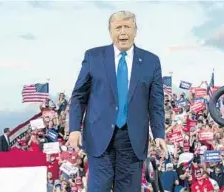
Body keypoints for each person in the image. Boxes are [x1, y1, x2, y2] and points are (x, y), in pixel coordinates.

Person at [68, 10, 167, 192]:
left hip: (133, 139)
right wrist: (74, 129)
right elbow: (78, 96)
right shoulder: (93, 57)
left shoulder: (151, 61)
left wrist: (159, 133)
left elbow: (156, 103)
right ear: (110, 31)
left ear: (135, 30)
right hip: (98, 137)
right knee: (100, 187)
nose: (123, 32)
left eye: (128, 27)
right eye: (118, 27)